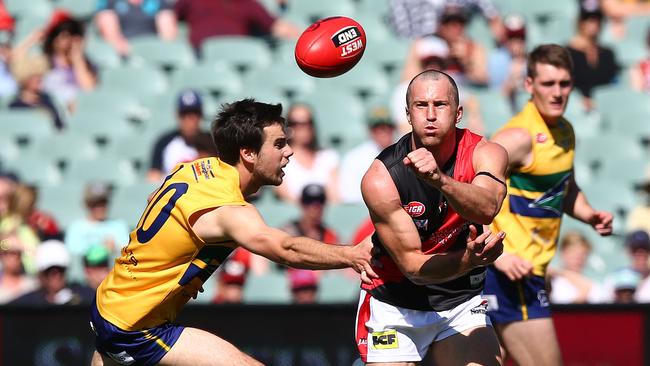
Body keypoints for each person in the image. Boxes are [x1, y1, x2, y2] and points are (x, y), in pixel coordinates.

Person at [90, 99, 376, 366]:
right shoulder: (230, 210)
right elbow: (286, 249)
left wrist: (181, 258)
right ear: (248, 153)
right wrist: (352, 255)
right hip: (134, 327)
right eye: (279, 144)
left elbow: (156, 197)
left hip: (110, 304)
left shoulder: (195, 168)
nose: (289, 151)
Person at [357, 69, 508, 365]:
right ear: (408, 114)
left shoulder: (485, 152)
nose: (430, 115)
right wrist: (471, 261)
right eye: (420, 106)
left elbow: (487, 208)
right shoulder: (381, 177)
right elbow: (414, 267)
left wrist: (440, 180)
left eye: (440, 105)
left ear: (458, 113)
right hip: (395, 303)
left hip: (461, 301)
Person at [484, 44, 614, 366]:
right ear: (529, 85)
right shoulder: (517, 138)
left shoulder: (565, 132)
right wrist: (498, 255)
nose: (557, 92)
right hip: (508, 272)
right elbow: (468, 194)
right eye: (548, 84)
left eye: (564, 83)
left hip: (530, 271)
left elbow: (564, 188)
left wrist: (589, 214)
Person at [275, 103, 340, 204]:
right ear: (288, 127)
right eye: (296, 123)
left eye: (308, 122)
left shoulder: (328, 157)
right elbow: (285, 196)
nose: (303, 128)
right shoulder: (280, 159)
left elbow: (335, 197)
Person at [173, 0, 300, 52]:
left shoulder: (246, 3)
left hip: (238, 57)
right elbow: (168, 16)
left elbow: (278, 26)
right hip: (200, 55)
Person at [566, 3, 620, 111]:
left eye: (597, 19)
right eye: (588, 19)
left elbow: (613, 84)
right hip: (577, 107)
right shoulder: (567, 53)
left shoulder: (608, 53)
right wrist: (580, 101)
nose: (593, 23)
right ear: (580, 22)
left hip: (606, 107)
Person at [339, 105, 397, 204]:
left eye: (388, 126)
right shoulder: (354, 158)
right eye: (378, 127)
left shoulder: (404, 153)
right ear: (370, 130)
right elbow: (349, 197)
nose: (384, 131)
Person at [11, 240, 95, 306]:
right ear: (41, 273)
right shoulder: (26, 304)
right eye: (49, 271)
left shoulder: (86, 298)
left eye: (60, 269)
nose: (55, 275)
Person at [148, 89, 204, 182]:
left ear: (201, 115)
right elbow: (153, 177)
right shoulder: (164, 142)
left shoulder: (212, 142)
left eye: (194, 113)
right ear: (177, 115)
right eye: (184, 114)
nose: (189, 119)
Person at [64, 182, 130, 260]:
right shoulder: (76, 227)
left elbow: (128, 254)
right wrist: (103, 249)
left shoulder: (119, 225)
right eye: (95, 204)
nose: (100, 208)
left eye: (103, 202)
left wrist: (115, 248)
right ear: (87, 204)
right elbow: (74, 255)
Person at [95, 0, 178, 57]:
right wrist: (131, 50)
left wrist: (153, 51)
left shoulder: (160, 2)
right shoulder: (110, 2)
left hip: (153, 51)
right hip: (123, 53)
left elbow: (168, 37)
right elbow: (110, 35)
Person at [9, 53, 65, 130]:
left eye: (40, 77)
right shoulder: (15, 105)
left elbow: (60, 126)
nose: (39, 80)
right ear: (25, 80)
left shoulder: (47, 100)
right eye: (35, 77)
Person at [548, 231, 603, 304]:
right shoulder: (551, 282)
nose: (578, 259)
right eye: (573, 254)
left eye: (582, 255)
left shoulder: (594, 284)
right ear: (563, 253)